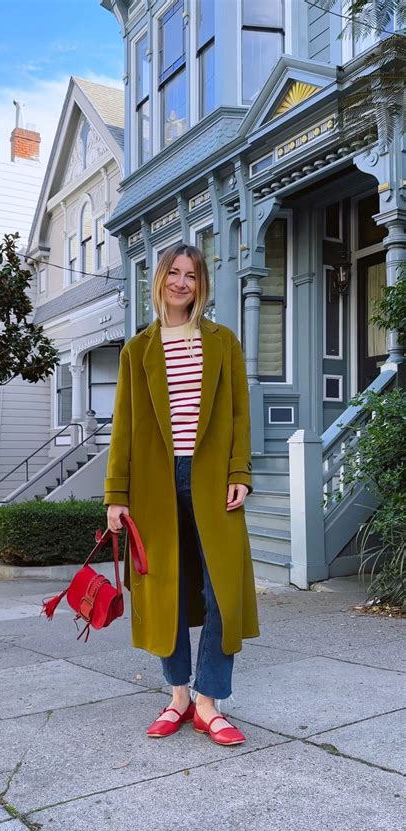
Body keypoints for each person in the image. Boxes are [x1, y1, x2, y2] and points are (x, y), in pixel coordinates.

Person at [105, 243, 259, 746]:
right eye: (174, 273)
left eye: (191, 275)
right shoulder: (138, 350)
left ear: (201, 285)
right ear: (160, 280)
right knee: (167, 591)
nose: (181, 283)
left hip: (213, 479)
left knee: (222, 593)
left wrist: (241, 470)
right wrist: (116, 495)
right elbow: (124, 429)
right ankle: (178, 697)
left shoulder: (222, 342)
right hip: (155, 483)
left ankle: (209, 703)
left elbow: (239, 414)